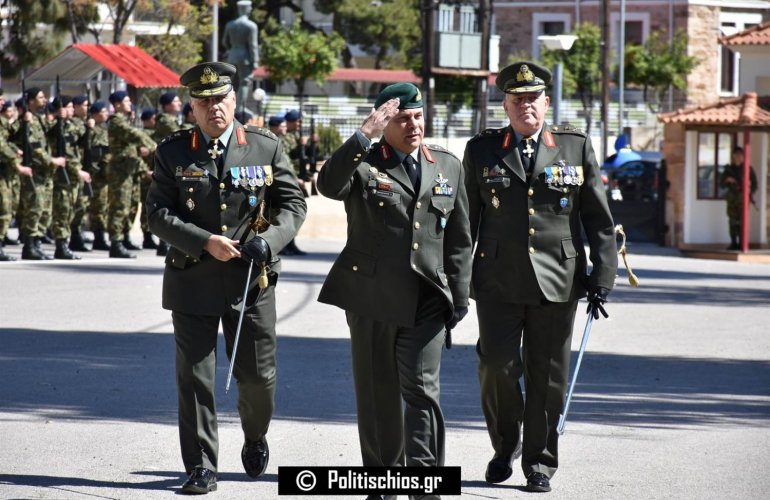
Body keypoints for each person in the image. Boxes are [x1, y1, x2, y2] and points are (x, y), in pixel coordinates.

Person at [146, 61, 306, 494]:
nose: (214, 107)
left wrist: (269, 242)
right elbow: (157, 214)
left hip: (251, 281)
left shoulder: (265, 146)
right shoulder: (173, 152)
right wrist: (203, 241)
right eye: (204, 101)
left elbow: (294, 206)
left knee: (258, 379)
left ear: (235, 100)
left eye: (221, 99)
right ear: (191, 109)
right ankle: (201, 467)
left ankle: (255, 435)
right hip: (192, 279)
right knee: (195, 377)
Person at [462, 61, 618, 493]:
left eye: (533, 98)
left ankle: (540, 464)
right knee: (495, 367)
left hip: (559, 280)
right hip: (496, 280)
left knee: (548, 377)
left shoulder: (574, 147)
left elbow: (599, 221)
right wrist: (454, 280)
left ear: (546, 103)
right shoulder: (482, 151)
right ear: (506, 105)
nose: (525, 106)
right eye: (517, 99)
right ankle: (504, 443)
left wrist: (603, 276)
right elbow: (464, 224)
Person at [317, 82, 472, 499]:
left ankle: (424, 483)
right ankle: (384, 480)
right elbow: (328, 186)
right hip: (372, 298)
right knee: (377, 393)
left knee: (422, 392)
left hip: (426, 299)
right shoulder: (365, 163)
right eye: (402, 118)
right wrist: (363, 135)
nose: (413, 125)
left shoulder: (447, 166)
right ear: (385, 122)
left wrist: (459, 296)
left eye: (418, 116)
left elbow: (458, 239)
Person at [13, 87, 66, 260]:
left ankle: (36, 244)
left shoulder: (39, 119)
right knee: (34, 209)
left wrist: (60, 119)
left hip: (45, 174)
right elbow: (34, 147)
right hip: (35, 171)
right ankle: (29, 246)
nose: (44, 100)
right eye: (41, 97)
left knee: (45, 211)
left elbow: (52, 134)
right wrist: (52, 160)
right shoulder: (26, 121)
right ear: (31, 101)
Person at [106, 90, 156, 258]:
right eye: (127, 101)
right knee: (119, 206)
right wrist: (153, 145)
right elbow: (134, 135)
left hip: (129, 170)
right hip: (120, 171)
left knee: (129, 206)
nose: (130, 103)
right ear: (118, 104)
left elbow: (131, 148)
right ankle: (116, 243)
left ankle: (123, 238)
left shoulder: (125, 121)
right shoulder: (116, 122)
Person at [222, 0, 259, 108]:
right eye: (250, 7)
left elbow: (224, 42)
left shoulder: (230, 25)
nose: (251, 9)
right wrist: (255, 60)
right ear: (246, 9)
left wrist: (231, 49)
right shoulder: (251, 26)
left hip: (232, 56)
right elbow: (253, 45)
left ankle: (230, 106)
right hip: (245, 58)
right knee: (244, 82)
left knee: (232, 83)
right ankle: (240, 107)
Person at [719, 146, 757, 250]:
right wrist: (728, 180)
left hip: (742, 199)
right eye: (736, 155)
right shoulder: (728, 169)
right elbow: (721, 184)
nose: (738, 157)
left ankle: (742, 242)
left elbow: (754, 185)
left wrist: (749, 190)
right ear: (733, 156)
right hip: (732, 199)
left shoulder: (748, 169)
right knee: (732, 221)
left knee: (742, 221)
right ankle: (733, 242)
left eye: (740, 155)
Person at [280, 109, 307, 255]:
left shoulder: (297, 136)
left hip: (298, 179)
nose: (299, 123)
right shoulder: (286, 139)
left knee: (296, 213)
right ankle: (284, 244)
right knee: (287, 212)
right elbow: (286, 160)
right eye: (297, 120)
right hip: (290, 180)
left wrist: (310, 145)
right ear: (290, 122)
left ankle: (292, 243)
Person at [86, 101, 111, 251]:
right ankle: (98, 236)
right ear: (95, 114)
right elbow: (92, 153)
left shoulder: (104, 130)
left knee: (102, 206)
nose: (106, 113)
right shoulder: (92, 131)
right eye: (103, 111)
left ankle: (100, 236)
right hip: (96, 175)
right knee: (97, 207)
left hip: (105, 175)